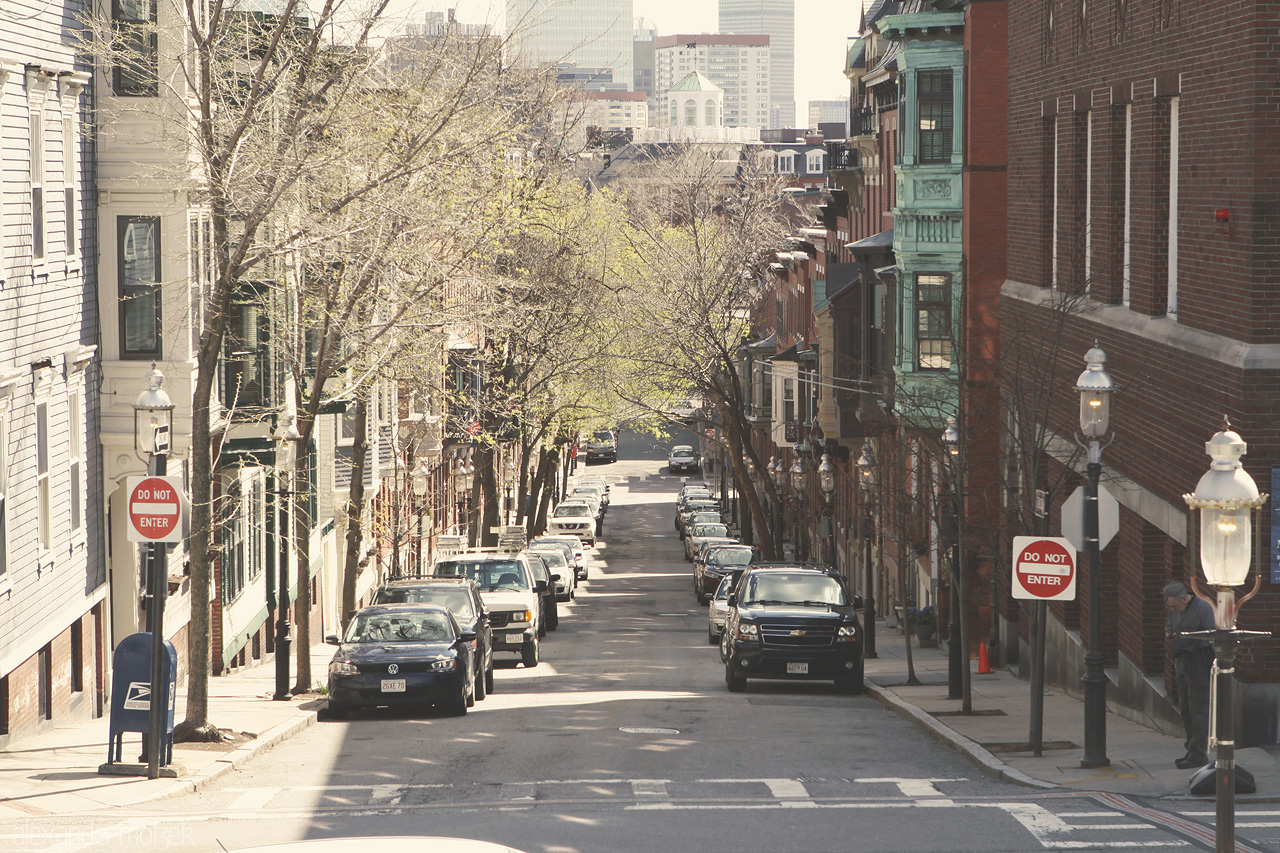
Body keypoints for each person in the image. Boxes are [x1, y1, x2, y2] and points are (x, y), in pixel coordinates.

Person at [1164, 580, 1215, 769]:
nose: (1174, 610)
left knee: (1198, 710)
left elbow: (1210, 636)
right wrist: (1172, 634)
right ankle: (1191, 749)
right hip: (1182, 660)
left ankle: (1198, 753)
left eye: (1175, 606)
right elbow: (1173, 628)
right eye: (1170, 607)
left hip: (1198, 660)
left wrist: (1188, 636)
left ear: (1184, 598)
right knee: (1185, 709)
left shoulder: (1203, 608)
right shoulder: (1174, 609)